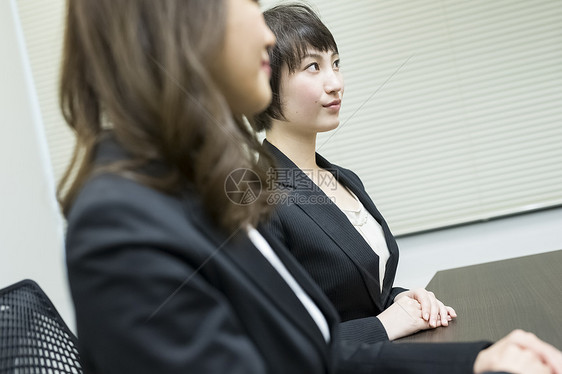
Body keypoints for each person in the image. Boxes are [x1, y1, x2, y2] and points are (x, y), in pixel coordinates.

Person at [58, 0, 562, 373]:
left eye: (335, 63)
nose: (264, 36)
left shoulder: (201, 184)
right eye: (247, 6)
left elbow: (311, 355)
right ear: (175, 24)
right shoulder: (124, 221)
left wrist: (477, 364)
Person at [255, 2, 455, 343]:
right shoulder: (256, 194)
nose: (335, 83)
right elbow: (277, 342)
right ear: (265, 83)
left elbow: (355, 297)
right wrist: (383, 325)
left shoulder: (345, 178)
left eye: (335, 63)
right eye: (312, 67)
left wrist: (401, 298)